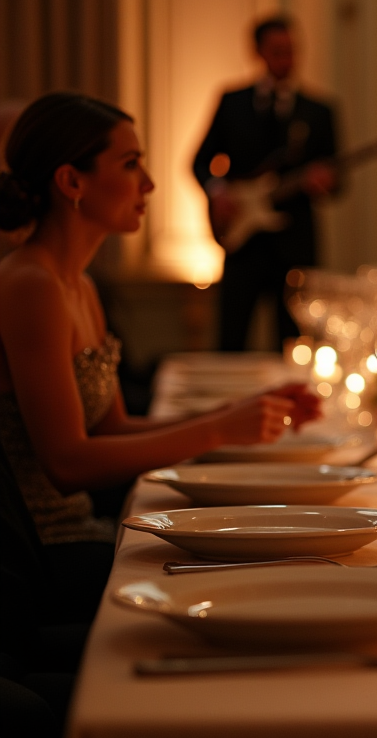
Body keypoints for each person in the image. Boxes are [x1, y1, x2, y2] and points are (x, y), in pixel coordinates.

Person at [0, 93, 320, 620]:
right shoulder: (30, 284)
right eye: (131, 164)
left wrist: (239, 413)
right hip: (46, 556)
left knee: (276, 552)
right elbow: (67, 463)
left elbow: (112, 428)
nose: (148, 183)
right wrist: (217, 431)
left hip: (88, 533)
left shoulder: (78, 284)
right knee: (261, 576)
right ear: (71, 182)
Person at [193, 15, 339, 351]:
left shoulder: (319, 111)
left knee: (294, 345)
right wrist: (218, 191)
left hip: (295, 243)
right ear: (258, 52)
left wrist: (326, 182)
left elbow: (336, 181)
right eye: (277, 51)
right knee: (231, 339)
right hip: (243, 241)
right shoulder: (233, 102)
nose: (287, 59)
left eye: (292, 50)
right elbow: (199, 161)